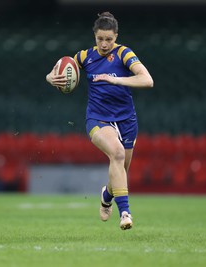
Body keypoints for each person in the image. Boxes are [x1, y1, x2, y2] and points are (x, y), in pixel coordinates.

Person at [46, 12, 153, 230]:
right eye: (100, 39)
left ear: (116, 37)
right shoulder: (86, 56)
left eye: (109, 39)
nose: (104, 44)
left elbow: (147, 80)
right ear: (94, 36)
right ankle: (125, 213)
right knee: (117, 153)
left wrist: (116, 80)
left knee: (121, 170)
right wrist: (51, 78)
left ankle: (106, 196)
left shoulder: (124, 53)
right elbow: (57, 69)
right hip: (97, 119)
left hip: (126, 120)